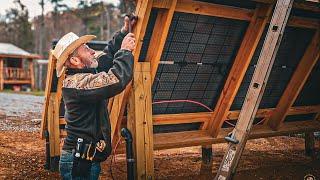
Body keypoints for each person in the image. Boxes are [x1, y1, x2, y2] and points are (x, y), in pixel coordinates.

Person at [52, 17, 136, 179]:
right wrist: (125, 51)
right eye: (86, 49)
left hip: (85, 158)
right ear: (75, 60)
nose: (92, 52)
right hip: (79, 163)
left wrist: (124, 32)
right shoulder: (78, 83)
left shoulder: (85, 74)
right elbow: (116, 79)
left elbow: (106, 57)